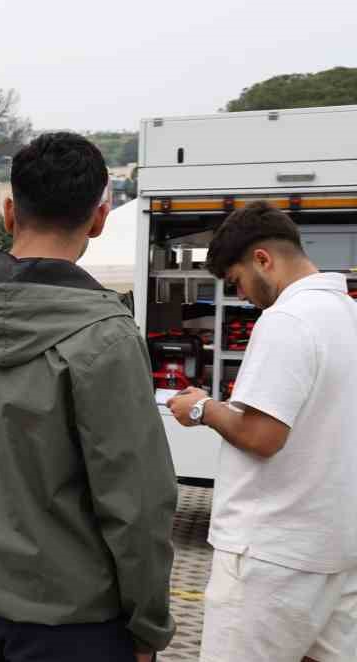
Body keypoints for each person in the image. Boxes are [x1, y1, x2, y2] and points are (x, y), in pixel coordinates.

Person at [0, 133, 176, 660]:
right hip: (73, 616)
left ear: (9, 212)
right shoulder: (107, 336)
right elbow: (137, 502)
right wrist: (148, 624)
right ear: (100, 217)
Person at [164, 201, 357, 662]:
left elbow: (262, 435)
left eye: (237, 282)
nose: (243, 296)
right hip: (337, 551)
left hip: (268, 558)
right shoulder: (347, 314)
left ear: (263, 259)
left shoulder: (287, 321)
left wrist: (202, 409)